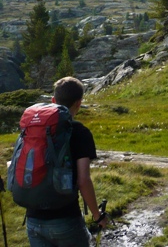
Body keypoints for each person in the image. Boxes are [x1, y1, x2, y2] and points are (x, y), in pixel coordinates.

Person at [25, 77, 107, 247]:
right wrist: (97, 215)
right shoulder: (80, 132)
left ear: (53, 100)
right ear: (79, 103)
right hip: (66, 219)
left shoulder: (35, 129)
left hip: (33, 219)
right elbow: (83, 181)